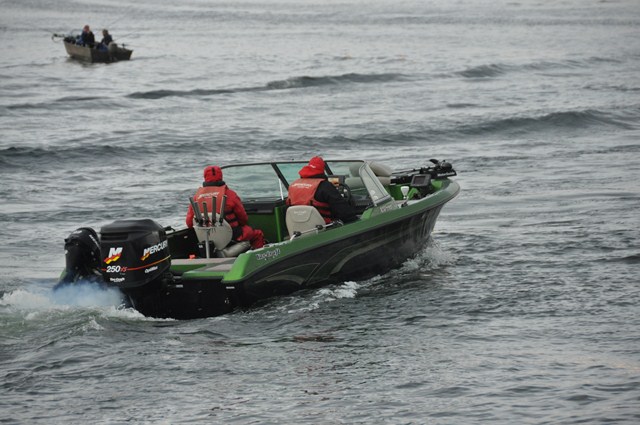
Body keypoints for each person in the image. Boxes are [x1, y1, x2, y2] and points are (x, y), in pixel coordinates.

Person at [186, 165, 265, 249]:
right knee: (257, 234)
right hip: (232, 235)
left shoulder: (196, 198)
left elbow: (189, 223)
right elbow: (243, 219)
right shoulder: (230, 194)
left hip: (206, 237)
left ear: (205, 177)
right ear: (221, 176)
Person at [286, 156, 358, 224]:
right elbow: (343, 211)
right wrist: (355, 220)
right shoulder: (325, 186)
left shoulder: (293, 185)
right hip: (323, 228)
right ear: (322, 170)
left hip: (296, 227)